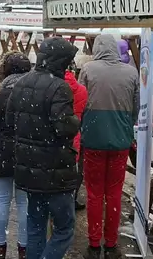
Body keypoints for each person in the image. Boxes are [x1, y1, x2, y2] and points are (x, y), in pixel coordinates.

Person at [7, 37, 80, 259]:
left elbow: (10, 122)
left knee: (36, 225)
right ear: (60, 61)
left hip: (29, 168)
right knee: (64, 227)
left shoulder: (21, 83)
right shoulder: (59, 88)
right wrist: (76, 120)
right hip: (55, 169)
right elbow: (64, 128)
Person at [77, 34, 138, 259]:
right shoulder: (131, 72)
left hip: (93, 140)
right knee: (113, 193)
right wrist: (123, 126)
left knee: (94, 193)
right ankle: (111, 243)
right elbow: (135, 109)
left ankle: (94, 244)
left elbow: (81, 103)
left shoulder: (88, 70)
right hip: (120, 142)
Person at [0, 52, 33, 259]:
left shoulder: (4, 94)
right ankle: (24, 249)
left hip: (3, 150)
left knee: (2, 200)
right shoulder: (33, 93)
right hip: (27, 151)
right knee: (24, 203)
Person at [64, 65, 88, 211]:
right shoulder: (82, 90)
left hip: (54, 135)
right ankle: (72, 198)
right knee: (75, 168)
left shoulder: (52, 86)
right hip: (75, 133)